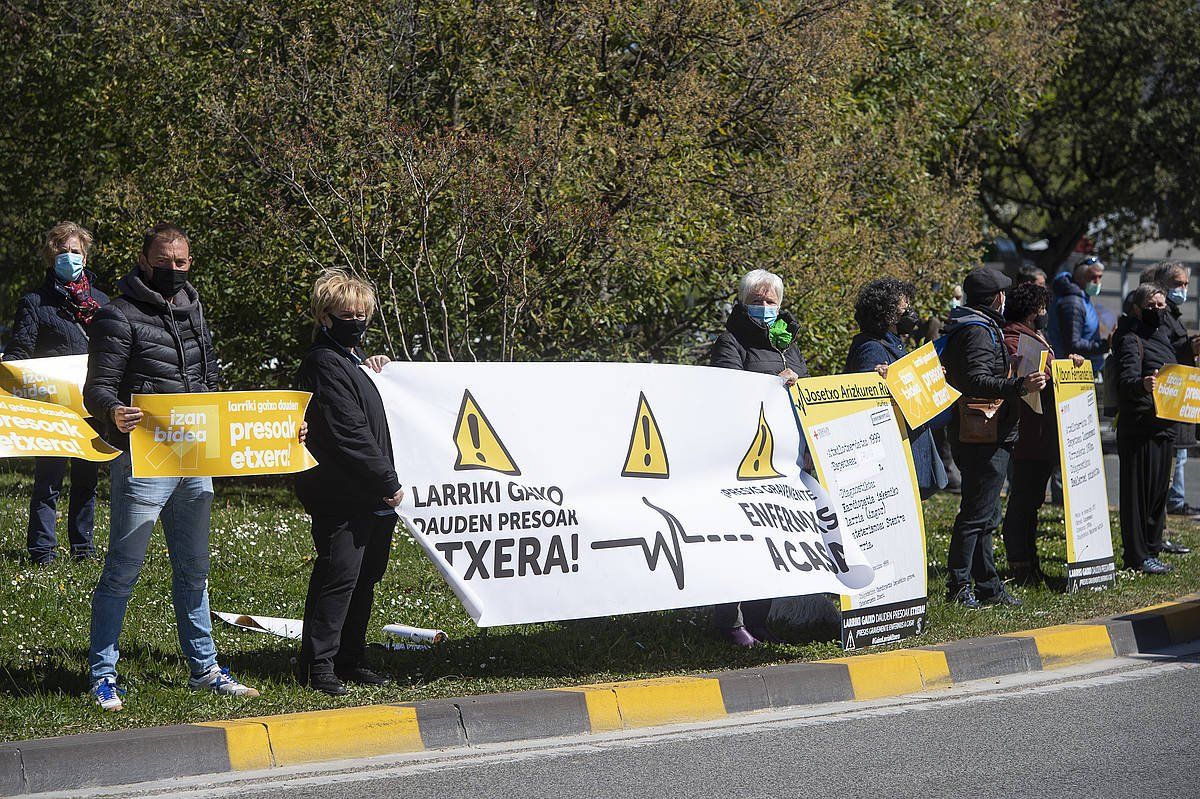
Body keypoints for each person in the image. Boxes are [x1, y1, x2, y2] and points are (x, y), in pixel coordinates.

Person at [83, 223, 262, 711]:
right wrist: (113, 412)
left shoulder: (193, 307)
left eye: (182, 262)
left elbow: (210, 376)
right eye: (165, 262)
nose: (174, 270)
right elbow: (96, 389)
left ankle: (204, 669)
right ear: (145, 261)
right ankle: (103, 675)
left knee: (194, 570)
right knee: (123, 569)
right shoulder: (116, 315)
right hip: (145, 458)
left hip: (194, 456)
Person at [294, 270, 403, 695]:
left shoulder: (351, 361)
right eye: (346, 314)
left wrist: (378, 371)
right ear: (324, 316)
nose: (356, 321)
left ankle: (351, 657)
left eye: (362, 314)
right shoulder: (323, 363)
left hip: (371, 495)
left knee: (365, 576)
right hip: (342, 493)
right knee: (338, 576)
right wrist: (387, 479)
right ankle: (316, 666)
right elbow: (348, 431)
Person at [710, 268, 808, 646]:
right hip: (741, 458)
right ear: (742, 302)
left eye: (771, 302)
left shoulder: (789, 342)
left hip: (781, 458)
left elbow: (805, 383)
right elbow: (724, 388)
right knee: (739, 543)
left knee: (770, 541)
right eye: (757, 301)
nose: (765, 307)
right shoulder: (730, 340)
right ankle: (729, 622)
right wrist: (769, 385)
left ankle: (758, 619)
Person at [938, 267, 1046, 608]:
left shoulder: (975, 326)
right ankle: (958, 586)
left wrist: (1009, 365)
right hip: (984, 435)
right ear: (997, 298)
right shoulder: (978, 332)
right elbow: (976, 380)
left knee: (986, 515)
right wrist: (1017, 385)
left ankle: (988, 585)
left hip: (987, 434)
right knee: (975, 514)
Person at [4, 222, 109, 564]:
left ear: (85, 255)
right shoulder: (35, 302)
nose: (69, 257)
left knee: (86, 480)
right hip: (52, 409)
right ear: (50, 257)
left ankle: (83, 550)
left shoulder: (103, 303)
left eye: (75, 251)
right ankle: (42, 551)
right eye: (61, 251)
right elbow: (20, 352)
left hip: (92, 403)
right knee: (48, 481)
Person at [1000, 282, 1085, 586]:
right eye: (1043, 309)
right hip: (1027, 436)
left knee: (1033, 501)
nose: (1045, 314)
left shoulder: (1035, 337)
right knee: (1023, 501)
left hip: (1041, 435)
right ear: (1032, 312)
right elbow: (1025, 379)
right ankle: (1019, 564)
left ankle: (1030, 563)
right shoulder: (1013, 339)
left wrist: (1068, 365)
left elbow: (1050, 372)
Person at [845, 277, 946, 497]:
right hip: (892, 455)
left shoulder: (891, 343)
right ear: (887, 315)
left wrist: (930, 380)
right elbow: (862, 398)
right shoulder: (871, 349)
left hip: (904, 448)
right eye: (904, 310)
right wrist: (875, 379)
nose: (910, 314)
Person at [1113, 285, 1179, 574]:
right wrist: (1142, 385)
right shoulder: (1129, 339)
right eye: (1155, 304)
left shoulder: (1160, 335)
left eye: (1163, 304)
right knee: (1138, 496)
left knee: (1156, 493)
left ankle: (1153, 548)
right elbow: (1125, 382)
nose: (1161, 309)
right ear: (1139, 309)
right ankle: (1137, 556)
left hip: (1163, 425)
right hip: (1140, 427)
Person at [1140, 261, 1200, 534]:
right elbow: (1164, 353)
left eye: (1186, 284)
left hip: (1177, 397)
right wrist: (1188, 347)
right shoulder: (1160, 316)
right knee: (1164, 469)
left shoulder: (1172, 315)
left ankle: (1160, 527)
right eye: (1178, 284)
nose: (1183, 289)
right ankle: (1157, 528)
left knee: (1174, 464)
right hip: (1165, 399)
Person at [1047, 256, 1109, 372]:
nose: (1097, 282)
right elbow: (1072, 344)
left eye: (1100, 277)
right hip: (1072, 371)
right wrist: (1104, 346)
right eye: (1093, 277)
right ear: (1079, 277)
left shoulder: (1082, 297)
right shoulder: (1073, 303)